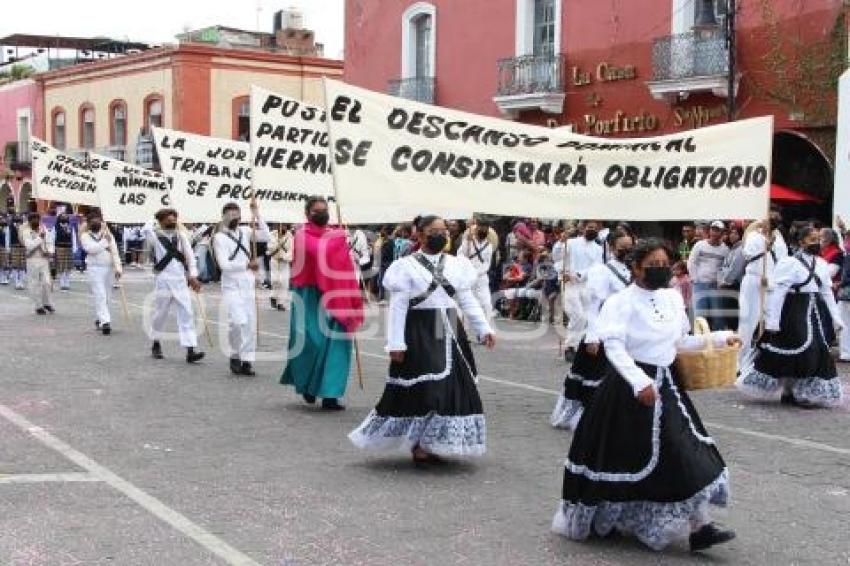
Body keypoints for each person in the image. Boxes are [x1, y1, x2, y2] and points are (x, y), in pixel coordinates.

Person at [552, 238, 737, 552]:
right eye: (652, 265)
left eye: (664, 264)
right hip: (627, 389)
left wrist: (719, 338)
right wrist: (639, 382)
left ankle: (701, 526)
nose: (660, 270)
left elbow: (680, 341)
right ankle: (605, 519)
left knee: (684, 448)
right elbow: (614, 346)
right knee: (620, 457)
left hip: (667, 386)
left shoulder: (672, 298)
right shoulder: (621, 302)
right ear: (635, 268)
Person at [349, 214, 495, 464]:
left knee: (451, 386)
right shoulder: (405, 266)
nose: (441, 235)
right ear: (419, 233)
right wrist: (395, 343)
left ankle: (430, 441)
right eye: (434, 230)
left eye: (444, 231)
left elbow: (466, 299)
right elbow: (398, 306)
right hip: (418, 328)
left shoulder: (457, 265)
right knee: (427, 388)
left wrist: (484, 328)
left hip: (447, 326)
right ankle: (418, 443)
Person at [737, 225, 844, 407]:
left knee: (817, 351)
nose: (816, 243)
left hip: (814, 311)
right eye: (812, 239)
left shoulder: (822, 264)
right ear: (801, 242)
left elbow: (826, 293)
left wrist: (837, 318)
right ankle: (788, 390)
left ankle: (799, 391)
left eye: (818, 239)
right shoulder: (789, 263)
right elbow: (779, 293)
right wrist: (772, 321)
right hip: (793, 311)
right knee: (797, 350)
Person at [280, 196, 364, 410]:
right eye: (317, 211)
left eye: (324, 210)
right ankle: (308, 385)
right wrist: (336, 241)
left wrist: (342, 244)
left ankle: (330, 394)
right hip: (309, 294)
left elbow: (344, 264)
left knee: (336, 344)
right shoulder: (301, 234)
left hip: (337, 293)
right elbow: (316, 253)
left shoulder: (336, 235)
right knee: (310, 342)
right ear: (307, 214)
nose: (322, 214)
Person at [551, 231, 634, 430]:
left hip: (628, 333)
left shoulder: (635, 270)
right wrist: (592, 337)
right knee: (596, 379)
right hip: (605, 332)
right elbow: (594, 307)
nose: (628, 251)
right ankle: (590, 417)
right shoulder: (602, 271)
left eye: (630, 246)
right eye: (623, 247)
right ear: (612, 248)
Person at [213, 201, 269, 376]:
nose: (234, 217)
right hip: (231, 285)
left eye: (237, 214)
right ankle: (234, 355)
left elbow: (265, 236)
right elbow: (224, 265)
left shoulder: (245, 232)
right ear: (224, 216)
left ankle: (247, 360)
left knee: (250, 323)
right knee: (237, 322)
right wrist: (246, 264)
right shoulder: (219, 238)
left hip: (247, 283)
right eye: (230, 214)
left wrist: (257, 214)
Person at [145, 208, 205, 364]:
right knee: (160, 314)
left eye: (174, 217)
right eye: (168, 218)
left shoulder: (181, 236)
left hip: (179, 280)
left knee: (187, 313)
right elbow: (145, 228)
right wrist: (154, 218)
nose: (172, 219)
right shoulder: (154, 236)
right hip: (163, 280)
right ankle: (156, 342)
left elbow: (191, 258)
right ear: (160, 220)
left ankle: (190, 349)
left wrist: (193, 275)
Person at [738, 213, 788, 365]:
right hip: (754, 279)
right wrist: (764, 244)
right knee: (747, 321)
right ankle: (740, 362)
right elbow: (747, 254)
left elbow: (783, 260)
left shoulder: (779, 239)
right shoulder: (754, 235)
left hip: (771, 282)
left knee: (772, 321)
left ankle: (768, 359)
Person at [562, 220, 605, 359]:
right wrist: (561, 242)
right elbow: (558, 257)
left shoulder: (598, 249)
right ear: (583, 228)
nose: (592, 230)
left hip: (586, 285)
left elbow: (596, 268)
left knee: (586, 317)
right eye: (589, 227)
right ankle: (570, 346)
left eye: (595, 228)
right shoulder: (572, 242)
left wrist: (579, 274)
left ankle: (576, 346)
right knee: (577, 315)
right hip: (570, 285)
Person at [80, 211, 122, 335]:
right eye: (92, 221)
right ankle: (106, 322)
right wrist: (104, 242)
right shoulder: (85, 236)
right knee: (100, 294)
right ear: (88, 223)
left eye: (98, 220)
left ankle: (100, 318)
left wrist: (118, 268)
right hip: (94, 268)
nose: (95, 223)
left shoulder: (108, 235)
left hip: (108, 267)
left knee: (107, 296)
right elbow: (91, 249)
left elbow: (114, 251)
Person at [687, 220, 729, 330]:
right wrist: (695, 279)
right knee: (700, 314)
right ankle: (699, 339)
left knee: (717, 314)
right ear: (710, 230)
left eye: (718, 230)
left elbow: (725, 268)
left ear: (722, 233)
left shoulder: (725, 250)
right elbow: (691, 262)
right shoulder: (700, 245)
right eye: (713, 229)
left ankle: (717, 339)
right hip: (700, 284)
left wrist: (720, 281)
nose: (715, 233)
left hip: (715, 286)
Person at [458, 220, 495, 321]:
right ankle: (464, 330)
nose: (483, 230)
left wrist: (478, 272)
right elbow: (460, 256)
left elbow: (487, 263)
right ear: (477, 228)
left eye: (485, 228)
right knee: (466, 304)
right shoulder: (468, 241)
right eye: (481, 227)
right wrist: (466, 241)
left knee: (486, 303)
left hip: (481, 278)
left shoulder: (489, 246)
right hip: (467, 277)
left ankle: (487, 330)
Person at [21, 213, 56, 315]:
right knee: (34, 283)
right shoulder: (26, 232)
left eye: (37, 219)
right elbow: (30, 246)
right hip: (32, 259)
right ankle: (38, 306)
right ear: (30, 221)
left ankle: (46, 303)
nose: (36, 221)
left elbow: (49, 241)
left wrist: (50, 251)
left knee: (47, 282)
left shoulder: (43, 229)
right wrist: (40, 238)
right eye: (33, 219)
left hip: (44, 259)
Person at [718, 225, 745, 331]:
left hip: (734, 286)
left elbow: (735, 270)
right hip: (727, 285)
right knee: (728, 314)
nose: (732, 235)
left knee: (733, 315)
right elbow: (722, 268)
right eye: (731, 233)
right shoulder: (732, 249)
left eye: (735, 233)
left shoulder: (740, 249)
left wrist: (725, 280)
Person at [268, 224, 294, 311]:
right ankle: (273, 296)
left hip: (284, 262)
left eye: (284, 226)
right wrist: (277, 243)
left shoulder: (290, 237)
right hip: (274, 260)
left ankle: (281, 303)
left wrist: (285, 257)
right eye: (281, 226)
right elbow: (270, 248)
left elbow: (291, 250)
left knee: (284, 282)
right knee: (275, 280)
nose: (282, 228)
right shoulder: (272, 235)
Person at [52, 212, 76, 291]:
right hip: (59, 248)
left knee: (68, 266)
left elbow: (73, 238)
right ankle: (62, 282)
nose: (64, 218)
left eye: (66, 216)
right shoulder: (55, 227)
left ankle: (67, 281)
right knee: (61, 266)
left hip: (69, 248)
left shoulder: (70, 227)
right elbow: (52, 238)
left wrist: (74, 248)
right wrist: (52, 249)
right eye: (62, 216)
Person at [9, 215, 26, 290]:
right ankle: (16, 282)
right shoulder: (11, 227)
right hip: (14, 247)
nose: (18, 221)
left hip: (22, 247)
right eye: (17, 220)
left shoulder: (24, 228)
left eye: (19, 220)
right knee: (15, 265)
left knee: (22, 266)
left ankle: (21, 282)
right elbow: (8, 237)